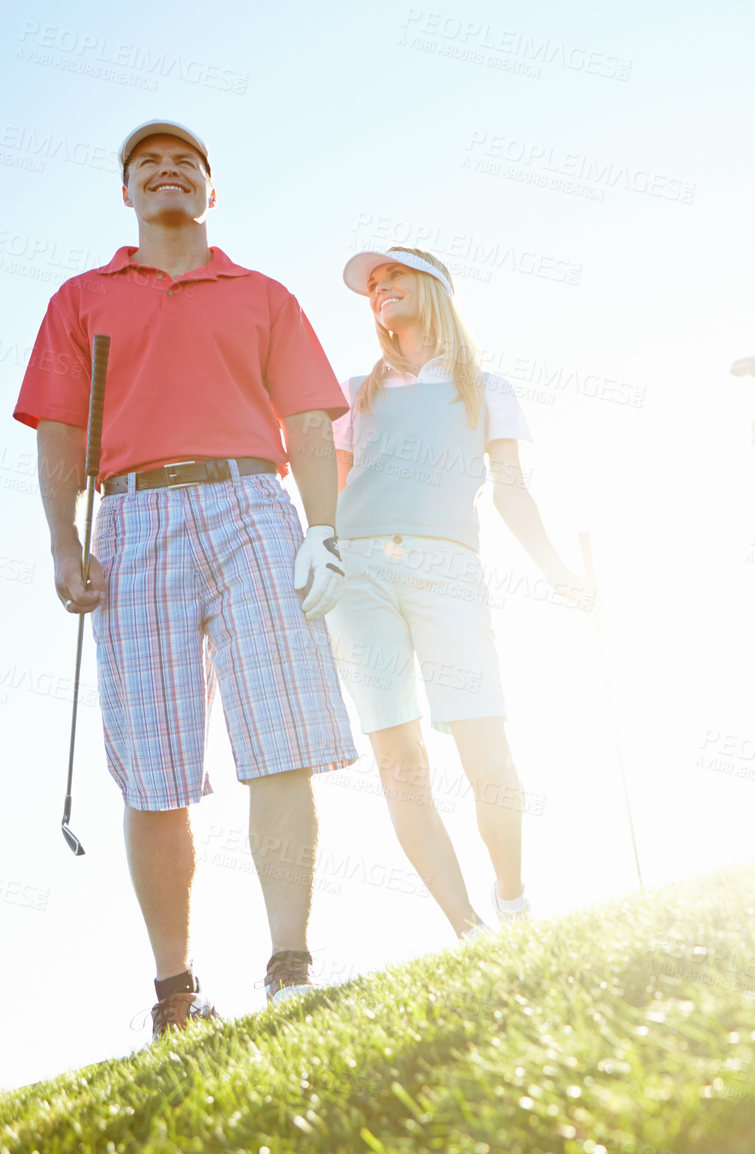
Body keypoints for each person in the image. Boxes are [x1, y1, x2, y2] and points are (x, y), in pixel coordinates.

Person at [13, 120, 356, 1038]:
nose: (168, 172)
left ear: (211, 191)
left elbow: (313, 422)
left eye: (186, 164)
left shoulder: (262, 294)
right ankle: (177, 995)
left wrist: (323, 531)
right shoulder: (82, 297)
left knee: (281, 738)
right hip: (130, 520)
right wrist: (60, 540)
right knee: (154, 774)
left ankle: (291, 967)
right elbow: (56, 430)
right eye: (147, 166)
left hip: (252, 506)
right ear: (126, 193)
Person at [328, 245, 587, 939]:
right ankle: (466, 929)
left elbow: (511, 491)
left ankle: (512, 900)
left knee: (486, 747)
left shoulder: (487, 388)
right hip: (358, 575)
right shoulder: (354, 389)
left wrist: (558, 571)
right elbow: (329, 489)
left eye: (394, 277)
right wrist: (314, 553)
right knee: (399, 760)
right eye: (372, 285)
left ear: (436, 288)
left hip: (448, 570)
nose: (380, 290)